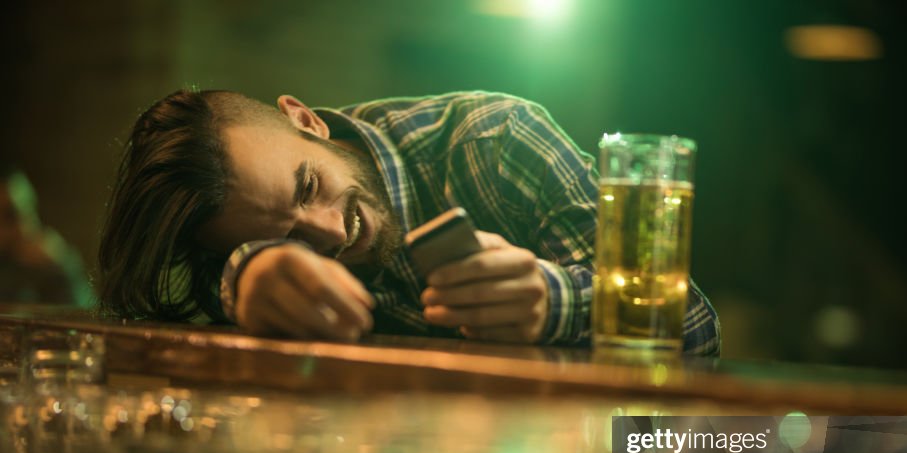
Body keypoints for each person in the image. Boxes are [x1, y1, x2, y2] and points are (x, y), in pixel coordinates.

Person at [98, 89, 720, 354]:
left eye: (309, 185)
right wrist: (250, 273)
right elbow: (204, 287)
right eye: (284, 236)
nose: (331, 233)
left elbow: (694, 326)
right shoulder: (232, 243)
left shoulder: (495, 141)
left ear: (306, 119)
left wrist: (554, 302)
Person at [1, 166, 93, 307]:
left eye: (30, 209)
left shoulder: (49, 265)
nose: (28, 226)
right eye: (10, 216)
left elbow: (88, 315)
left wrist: (63, 266)